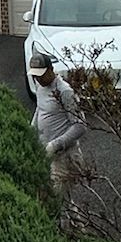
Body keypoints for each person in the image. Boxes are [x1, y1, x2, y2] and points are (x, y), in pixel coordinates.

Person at [27, 54, 87, 193]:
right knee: (46, 194)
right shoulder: (39, 85)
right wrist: (31, 129)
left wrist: (56, 145)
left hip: (63, 156)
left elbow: (80, 126)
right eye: (35, 76)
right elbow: (40, 108)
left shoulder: (64, 91)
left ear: (51, 69)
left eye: (41, 75)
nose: (38, 79)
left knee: (59, 199)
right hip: (44, 152)